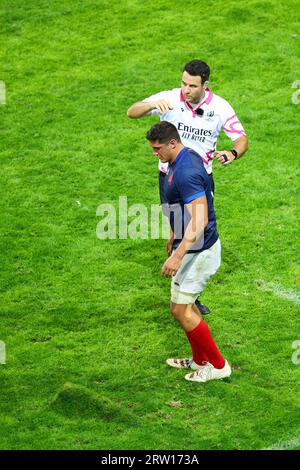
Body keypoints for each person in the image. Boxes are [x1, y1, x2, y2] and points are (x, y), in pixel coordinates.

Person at [128, 59, 248, 315]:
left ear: (205, 84)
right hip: (169, 178)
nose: (186, 90)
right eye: (183, 83)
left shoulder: (220, 107)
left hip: (199, 180)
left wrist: (233, 153)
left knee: (197, 233)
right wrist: (150, 105)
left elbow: (241, 138)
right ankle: (184, 291)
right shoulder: (170, 98)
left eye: (192, 86)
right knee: (178, 230)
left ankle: (190, 295)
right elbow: (131, 111)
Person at [145, 121, 231, 383]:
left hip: (198, 251)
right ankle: (199, 360)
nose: (154, 153)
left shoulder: (187, 171)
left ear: (172, 143)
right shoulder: (180, 158)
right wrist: (174, 232)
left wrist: (178, 254)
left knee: (182, 310)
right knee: (179, 307)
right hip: (191, 245)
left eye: (157, 148)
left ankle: (217, 365)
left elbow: (200, 219)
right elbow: (183, 208)